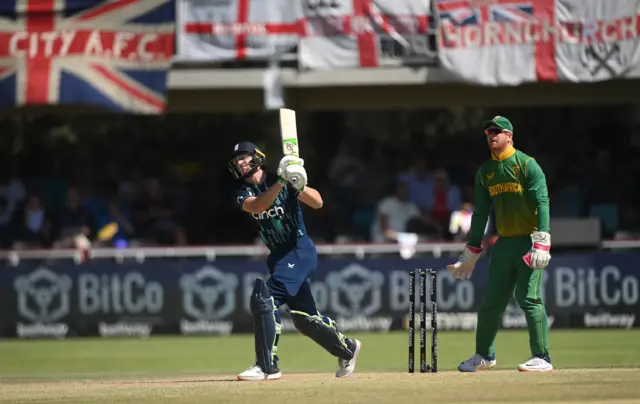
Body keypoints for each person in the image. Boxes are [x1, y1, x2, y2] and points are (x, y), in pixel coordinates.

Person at [229, 141, 362, 381]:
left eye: (244, 156)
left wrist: (298, 184)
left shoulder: (281, 179)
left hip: (299, 249)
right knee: (304, 319)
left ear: (257, 157)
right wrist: (282, 181)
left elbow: (318, 202)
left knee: (264, 298)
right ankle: (347, 348)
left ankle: (267, 366)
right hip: (278, 256)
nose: (240, 162)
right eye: (237, 159)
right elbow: (258, 205)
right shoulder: (242, 191)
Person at [447, 116, 553, 373]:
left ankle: (542, 357)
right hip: (504, 243)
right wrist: (471, 251)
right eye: (488, 132)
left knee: (528, 297)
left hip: (528, 240)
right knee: (492, 302)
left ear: (510, 136)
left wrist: (542, 240)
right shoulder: (485, 173)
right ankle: (484, 355)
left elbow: (542, 202)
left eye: (497, 131)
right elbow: (480, 213)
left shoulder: (527, 165)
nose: (492, 135)